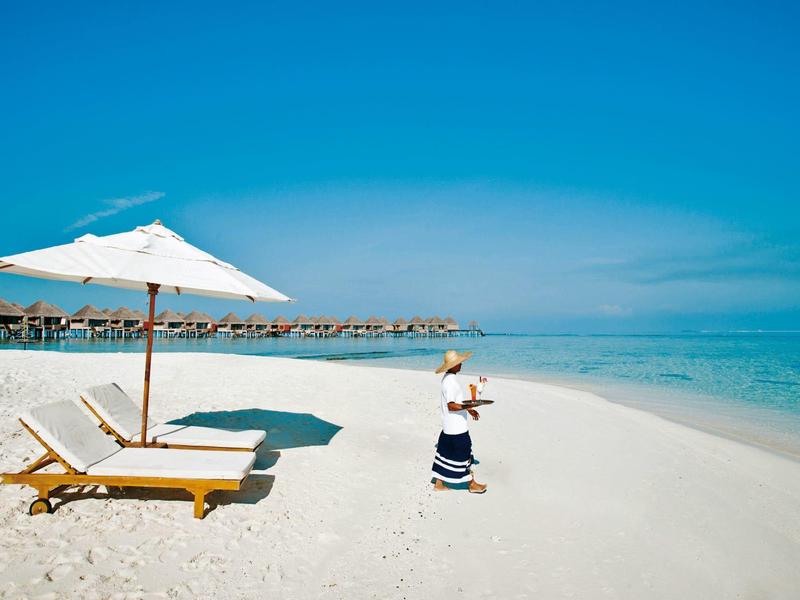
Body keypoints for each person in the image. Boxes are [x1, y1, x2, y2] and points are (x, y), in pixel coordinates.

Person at [431, 349, 487, 493]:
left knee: (444, 452)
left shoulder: (447, 378)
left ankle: (439, 483)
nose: (461, 364)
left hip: (448, 426)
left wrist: (469, 409)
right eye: (458, 363)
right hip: (457, 427)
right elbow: (452, 405)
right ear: (452, 366)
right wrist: (470, 405)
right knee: (465, 452)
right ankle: (471, 484)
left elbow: (457, 402)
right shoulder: (450, 382)